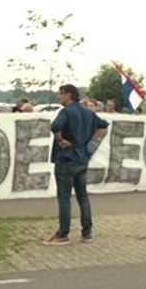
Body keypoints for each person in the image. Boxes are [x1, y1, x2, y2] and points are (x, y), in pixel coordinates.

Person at [44, 84, 110, 245]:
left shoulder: (66, 112)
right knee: (83, 196)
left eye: (61, 94)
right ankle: (87, 232)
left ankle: (62, 233)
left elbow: (55, 126)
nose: (59, 97)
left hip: (66, 159)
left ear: (69, 95)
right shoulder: (88, 113)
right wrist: (90, 146)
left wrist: (60, 140)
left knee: (64, 197)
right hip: (82, 159)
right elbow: (103, 126)